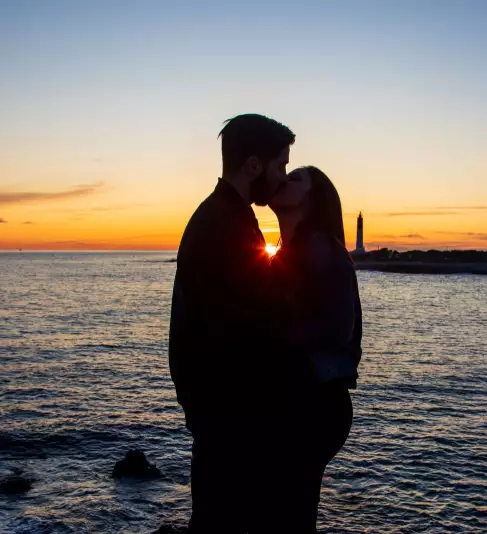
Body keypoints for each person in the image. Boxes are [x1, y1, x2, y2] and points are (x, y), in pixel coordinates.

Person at [168, 114, 295, 533]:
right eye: (281, 165)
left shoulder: (218, 216)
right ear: (254, 166)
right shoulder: (226, 225)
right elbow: (251, 325)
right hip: (230, 415)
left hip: (218, 411)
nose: (282, 177)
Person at [268, 166, 362, 533]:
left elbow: (338, 329)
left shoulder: (322, 248)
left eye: (294, 180)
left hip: (316, 404)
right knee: (290, 513)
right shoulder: (287, 253)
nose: (282, 181)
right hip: (307, 401)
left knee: (289, 515)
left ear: (311, 199)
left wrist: (269, 335)